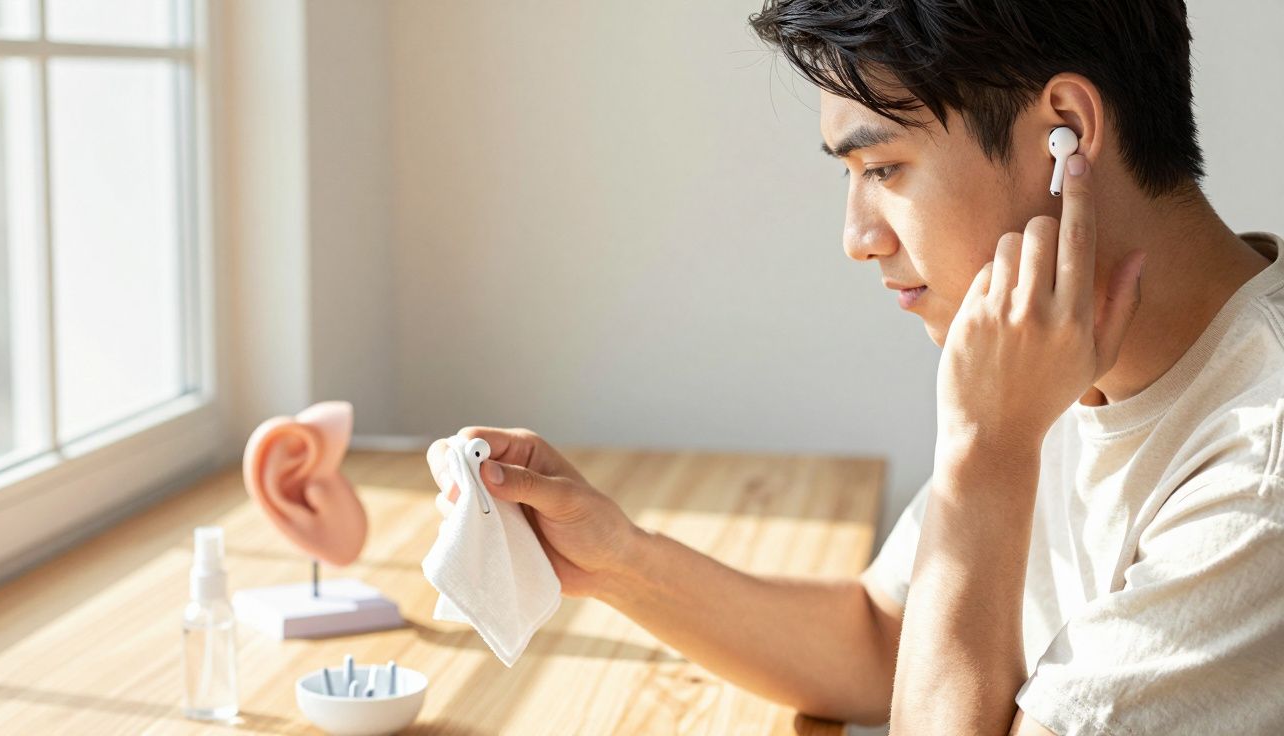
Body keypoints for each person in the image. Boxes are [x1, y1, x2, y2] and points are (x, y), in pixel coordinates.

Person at [427, 1, 1284, 732]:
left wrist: (987, 453)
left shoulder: (1258, 472)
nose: (857, 238)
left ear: (1067, 132)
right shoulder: (1055, 352)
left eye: (883, 169)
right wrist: (617, 561)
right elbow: (887, 635)